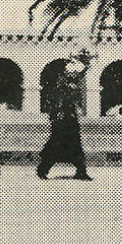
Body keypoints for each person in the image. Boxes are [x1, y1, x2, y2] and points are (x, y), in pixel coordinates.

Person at [37, 52, 92, 180]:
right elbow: (59, 102)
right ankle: (43, 169)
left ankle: (81, 170)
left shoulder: (68, 84)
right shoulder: (61, 86)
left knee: (73, 145)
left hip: (69, 119)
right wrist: (60, 115)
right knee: (57, 144)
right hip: (62, 120)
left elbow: (78, 77)